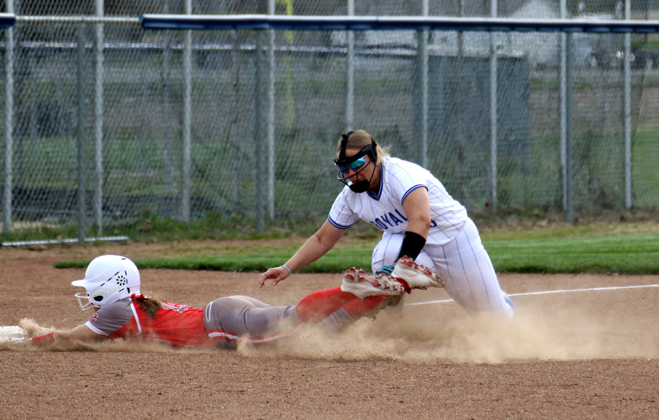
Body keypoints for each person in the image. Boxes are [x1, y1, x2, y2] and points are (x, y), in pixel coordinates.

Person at [258, 130, 513, 317]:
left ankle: (505, 307)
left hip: (452, 239)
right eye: (344, 168)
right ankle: (392, 327)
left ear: (374, 156)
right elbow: (323, 239)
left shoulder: (400, 176)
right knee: (384, 256)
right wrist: (287, 267)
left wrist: (404, 266)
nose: (350, 173)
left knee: (494, 319)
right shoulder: (351, 197)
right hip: (407, 242)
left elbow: (421, 221)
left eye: (356, 165)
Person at [30, 254, 442, 349]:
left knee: (289, 327)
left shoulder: (117, 311)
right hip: (224, 310)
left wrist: (32, 335)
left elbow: (69, 339)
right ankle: (391, 288)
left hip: (221, 324)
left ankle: (348, 291)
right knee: (320, 333)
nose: (87, 294)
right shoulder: (131, 307)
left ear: (111, 285)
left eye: (90, 287)